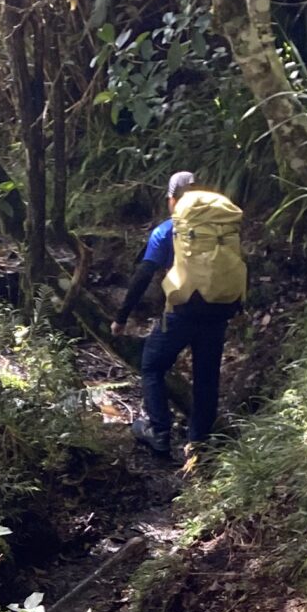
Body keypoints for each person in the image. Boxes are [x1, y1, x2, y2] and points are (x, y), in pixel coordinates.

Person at [117, 171, 246, 463]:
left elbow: (144, 275)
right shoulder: (221, 229)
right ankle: (199, 445)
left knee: (152, 365)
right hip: (217, 312)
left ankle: (159, 431)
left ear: (172, 199)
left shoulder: (167, 230)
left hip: (182, 312)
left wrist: (121, 317)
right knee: (206, 377)